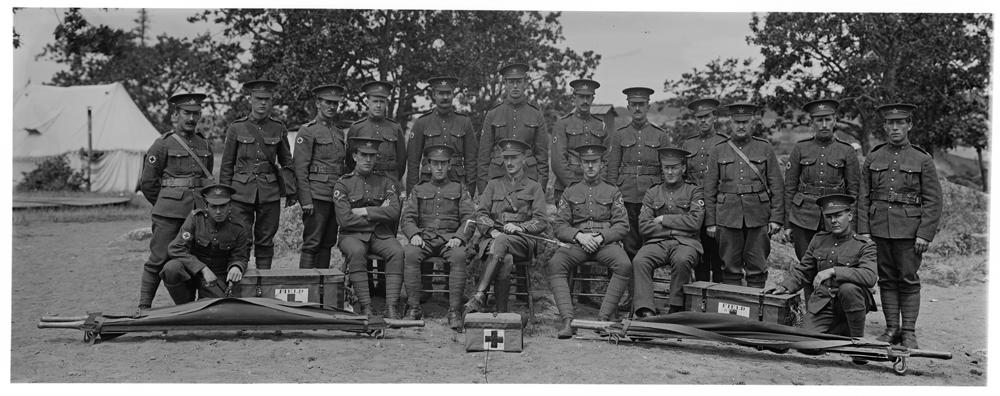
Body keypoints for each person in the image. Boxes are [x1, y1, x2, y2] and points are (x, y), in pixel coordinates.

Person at [858, 103, 942, 349]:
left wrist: (925, 234)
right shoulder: (874, 157)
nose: (895, 128)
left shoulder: (922, 159)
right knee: (886, 279)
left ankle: (908, 332)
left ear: (909, 126)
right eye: (890, 124)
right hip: (879, 229)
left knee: (908, 279)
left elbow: (933, 200)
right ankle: (891, 328)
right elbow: (864, 197)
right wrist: (863, 230)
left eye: (900, 123)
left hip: (909, 231)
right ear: (884, 126)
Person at [136, 92, 214, 310]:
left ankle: (194, 305)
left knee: (197, 257)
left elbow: (206, 180)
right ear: (175, 116)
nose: (191, 118)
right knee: (159, 258)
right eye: (186, 113)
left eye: (195, 113)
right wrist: (165, 204)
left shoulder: (205, 146)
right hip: (169, 213)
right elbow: (148, 183)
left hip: (197, 213)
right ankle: (144, 307)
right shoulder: (162, 145)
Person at [548, 144, 631, 338]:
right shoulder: (570, 191)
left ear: (602, 164)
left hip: (605, 243)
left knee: (624, 264)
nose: (590, 167)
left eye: (595, 162)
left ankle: (604, 320)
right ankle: (568, 321)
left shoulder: (612, 191)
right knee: (555, 263)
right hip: (578, 243)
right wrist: (579, 236)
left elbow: (622, 225)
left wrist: (602, 237)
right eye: (586, 163)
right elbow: (559, 225)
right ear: (581, 164)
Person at [766, 194, 876, 339]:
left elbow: (870, 276)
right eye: (829, 217)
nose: (834, 221)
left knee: (848, 289)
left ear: (849, 216)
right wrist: (784, 286)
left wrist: (833, 271)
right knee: (807, 345)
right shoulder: (819, 240)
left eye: (838, 216)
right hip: (823, 302)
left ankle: (857, 340)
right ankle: (839, 329)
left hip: (850, 302)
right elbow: (804, 270)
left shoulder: (864, 245)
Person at [703, 102, 784, 288]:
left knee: (757, 267)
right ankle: (734, 311)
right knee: (730, 267)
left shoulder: (765, 148)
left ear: (752, 123)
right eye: (737, 122)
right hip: (727, 216)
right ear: (730, 124)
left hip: (759, 215)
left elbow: (777, 186)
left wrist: (777, 218)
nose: (741, 126)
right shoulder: (718, 150)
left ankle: (756, 311)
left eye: (745, 122)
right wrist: (711, 222)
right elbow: (709, 190)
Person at [219, 79, 296, 270]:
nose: (262, 103)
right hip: (240, 192)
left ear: (272, 101)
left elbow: (287, 162)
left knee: (266, 239)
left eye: (267, 99)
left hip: (269, 192)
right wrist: (224, 196)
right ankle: (240, 280)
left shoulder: (278, 128)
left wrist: (291, 191)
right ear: (250, 99)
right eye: (258, 98)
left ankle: (263, 281)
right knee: (241, 237)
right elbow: (227, 165)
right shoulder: (236, 128)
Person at [465, 139, 548, 313]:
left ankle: (479, 295)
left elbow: (541, 220)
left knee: (503, 242)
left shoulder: (534, 187)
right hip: (492, 239)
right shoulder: (493, 185)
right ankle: (501, 311)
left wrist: (522, 227)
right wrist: (492, 230)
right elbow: (481, 214)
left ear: (524, 158)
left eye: (514, 157)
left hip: (522, 241)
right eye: (506, 158)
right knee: (506, 258)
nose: (509, 162)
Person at [400, 145, 475, 329]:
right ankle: (413, 308)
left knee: (458, 255)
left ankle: (454, 311)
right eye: (435, 164)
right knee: (410, 253)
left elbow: (469, 218)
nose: (439, 168)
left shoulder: (459, 188)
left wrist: (459, 237)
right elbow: (407, 217)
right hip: (424, 238)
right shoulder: (419, 189)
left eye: (443, 163)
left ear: (449, 165)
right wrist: (414, 234)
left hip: (449, 239)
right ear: (429, 165)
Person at [333, 137, 405, 318]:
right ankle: (366, 306)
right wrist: (379, 215)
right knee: (357, 252)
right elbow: (345, 220)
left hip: (380, 235)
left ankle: (391, 307)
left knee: (397, 251)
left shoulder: (386, 182)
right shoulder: (343, 183)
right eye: (363, 155)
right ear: (355, 156)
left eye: (372, 156)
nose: (368, 160)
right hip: (352, 236)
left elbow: (394, 211)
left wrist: (364, 211)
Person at [784, 99, 860, 262]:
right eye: (819, 120)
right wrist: (787, 224)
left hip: (835, 216)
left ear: (834, 121)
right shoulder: (800, 148)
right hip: (802, 217)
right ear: (812, 123)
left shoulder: (846, 151)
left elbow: (854, 192)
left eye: (828, 120)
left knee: (833, 262)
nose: (824, 124)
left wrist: (853, 225)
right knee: (805, 263)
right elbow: (789, 188)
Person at [631, 147, 704, 317]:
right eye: (666, 168)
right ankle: (645, 309)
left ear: (683, 169)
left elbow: (695, 222)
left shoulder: (693, 191)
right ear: (662, 169)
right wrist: (675, 230)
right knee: (640, 260)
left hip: (687, 243)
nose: (670, 172)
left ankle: (676, 307)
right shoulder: (652, 192)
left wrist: (663, 219)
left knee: (682, 259)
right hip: (657, 243)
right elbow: (644, 226)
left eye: (674, 167)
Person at [607, 86, 671, 258]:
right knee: (630, 244)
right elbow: (612, 169)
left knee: (650, 244)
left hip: (652, 197)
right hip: (626, 196)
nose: (637, 108)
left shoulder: (660, 136)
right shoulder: (619, 135)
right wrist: (614, 198)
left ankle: (646, 282)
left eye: (641, 104)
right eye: (633, 104)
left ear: (648, 106)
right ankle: (632, 284)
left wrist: (665, 197)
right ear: (628, 106)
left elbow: (668, 169)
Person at [160, 184, 251, 305]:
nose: (218, 211)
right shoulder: (195, 219)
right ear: (207, 206)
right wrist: (202, 268)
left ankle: (203, 301)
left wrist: (236, 266)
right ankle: (185, 305)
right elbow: (176, 248)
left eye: (222, 206)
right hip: (191, 272)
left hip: (217, 275)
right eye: (214, 207)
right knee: (171, 269)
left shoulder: (238, 226)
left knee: (220, 307)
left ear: (230, 206)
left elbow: (240, 256)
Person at [293, 84, 349, 269]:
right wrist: (305, 200)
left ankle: (322, 286)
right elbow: (300, 169)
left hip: (335, 196)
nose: (332, 107)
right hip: (316, 196)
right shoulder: (307, 131)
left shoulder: (338, 132)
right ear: (318, 103)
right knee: (312, 243)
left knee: (328, 243)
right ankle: (305, 288)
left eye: (335, 103)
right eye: (328, 102)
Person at [477, 62, 549, 194]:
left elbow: (542, 157)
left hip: (528, 179)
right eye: (511, 82)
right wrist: (483, 190)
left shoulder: (536, 114)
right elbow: (483, 156)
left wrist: (541, 188)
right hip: (498, 178)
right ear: (505, 83)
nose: (515, 86)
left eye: (519, 81)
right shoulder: (493, 114)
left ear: (525, 83)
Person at [680, 98, 727, 282]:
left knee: (718, 255)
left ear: (714, 117)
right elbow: (682, 176)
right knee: (699, 255)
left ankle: (717, 298)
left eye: (707, 116)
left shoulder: (723, 142)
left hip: (717, 205)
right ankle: (699, 298)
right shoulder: (688, 144)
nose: (703, 121)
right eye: (699, 118)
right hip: (693, 206)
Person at [405, 76, 477, 195]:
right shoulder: (422, 123)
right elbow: (413, 163)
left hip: (457, 184)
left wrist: (469, 192)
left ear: (453, 94)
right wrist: (412, 194)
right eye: (441, 93)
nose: (445, 97)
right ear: (434, 94)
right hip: (427, 185)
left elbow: (471, 161)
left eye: (448, 93)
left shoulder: (464, 122)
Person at [551, 79, 607, 203]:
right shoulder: (563, 124)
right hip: (567, 188)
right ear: (574, 98)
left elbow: (606, 159)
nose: (585, 101)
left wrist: (599, 185)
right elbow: (558, 162)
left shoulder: (600, 125)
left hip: (596, 187)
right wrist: (575, 187)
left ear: (593, 99)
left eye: (588, 97)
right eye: (581, 97)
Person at [347, 81, 407, 181]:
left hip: (390, 180)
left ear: (386, 103)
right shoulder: (356, 128)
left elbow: (401, 162)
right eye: (375, 101)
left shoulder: (395, 128)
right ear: (367, 102)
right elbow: (350, 161)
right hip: (364, 181)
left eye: (382, 102)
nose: (378, 105)